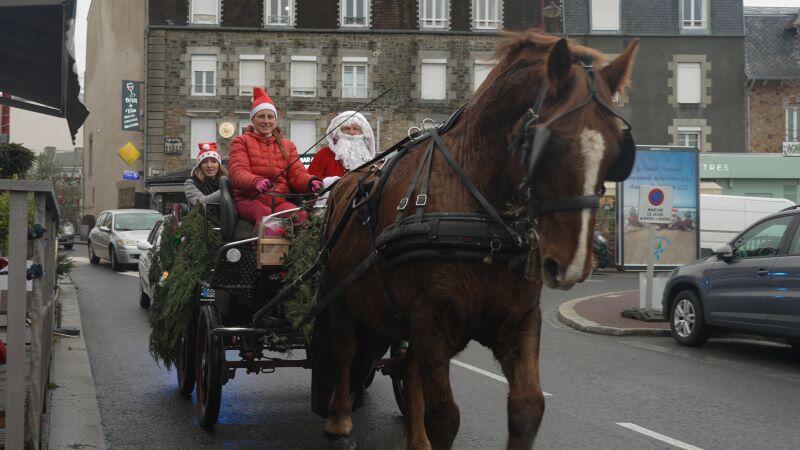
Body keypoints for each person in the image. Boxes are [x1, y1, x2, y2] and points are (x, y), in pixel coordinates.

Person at [228, 87, 322, 225]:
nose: (266, 121)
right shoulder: (241, 142)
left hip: (279, 202)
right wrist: (256, 182)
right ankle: (260, 246)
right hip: (250, 200)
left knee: (301, 216)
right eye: (261, 116)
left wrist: (310, 182)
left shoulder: (287, 145)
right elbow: (237, 172)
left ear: (275, 120)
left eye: (270, 117)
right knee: (265, 216)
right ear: (252, 119)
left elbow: (297, 174)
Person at [308, 111, 376, 180]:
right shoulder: (324, 154)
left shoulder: (368, 158)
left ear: (362, 132)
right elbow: (310, 181)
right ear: (338, 131)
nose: (351, 132)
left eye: (355, 128)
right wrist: (327, 182)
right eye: (346, 128)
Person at [183, 142, 227, 208]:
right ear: (200, 166)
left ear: (219, 164)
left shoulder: (227, 179)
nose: (209, 165)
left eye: (214, 161)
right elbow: (201, 202)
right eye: (204, 162)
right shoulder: (191, 183)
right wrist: (226, 190)